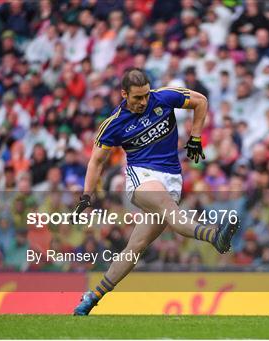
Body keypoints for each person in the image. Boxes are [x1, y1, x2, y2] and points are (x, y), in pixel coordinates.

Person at [73, 68, 238, 315]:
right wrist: (86, 195)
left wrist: (195, 138)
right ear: (124, 94)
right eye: (137, 97)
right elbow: (96, 161)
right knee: (170, 211)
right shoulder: (114, 124)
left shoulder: (163, 97)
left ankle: (91, 298)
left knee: (135, 247)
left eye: (146, 95)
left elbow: (200, 101)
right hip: (142, 178)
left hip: (172, 179)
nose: (143, 102)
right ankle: (214, 236)